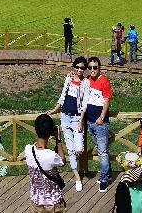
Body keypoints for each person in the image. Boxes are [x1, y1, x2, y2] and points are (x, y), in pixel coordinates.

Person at [47, 56, 89, 191]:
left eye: (82, 68)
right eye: (77, 67)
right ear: (74, 67)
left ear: (84, 69)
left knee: (79, 149)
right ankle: (77, 176)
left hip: (77, 119)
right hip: (65, 117)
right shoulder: (68, 78)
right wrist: (54, 110)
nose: (79, 70)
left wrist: (81, 121)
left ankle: (78, 170)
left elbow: (85, 102)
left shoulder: (85, 83)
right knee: (70, 149)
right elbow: (62, 96)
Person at [81, 56, 112, 193]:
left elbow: (106, 101)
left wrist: (102, 117)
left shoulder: (104, 81)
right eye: (90, 67)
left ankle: (104, 179)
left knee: (103, 152)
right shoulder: (87, 80)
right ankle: (109, 173)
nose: (92, 70)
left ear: (99, 68)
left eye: (95, 67)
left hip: (100, 123)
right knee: (101, 149)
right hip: (90, 121)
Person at [24, 113, 65, 213]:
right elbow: (62, 161)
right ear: (50, 133)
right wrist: (58, 140)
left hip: (36, 201)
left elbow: (36, 148)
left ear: (35, 130)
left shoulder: (28, 150)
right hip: (53, 203)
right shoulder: (51, 156)